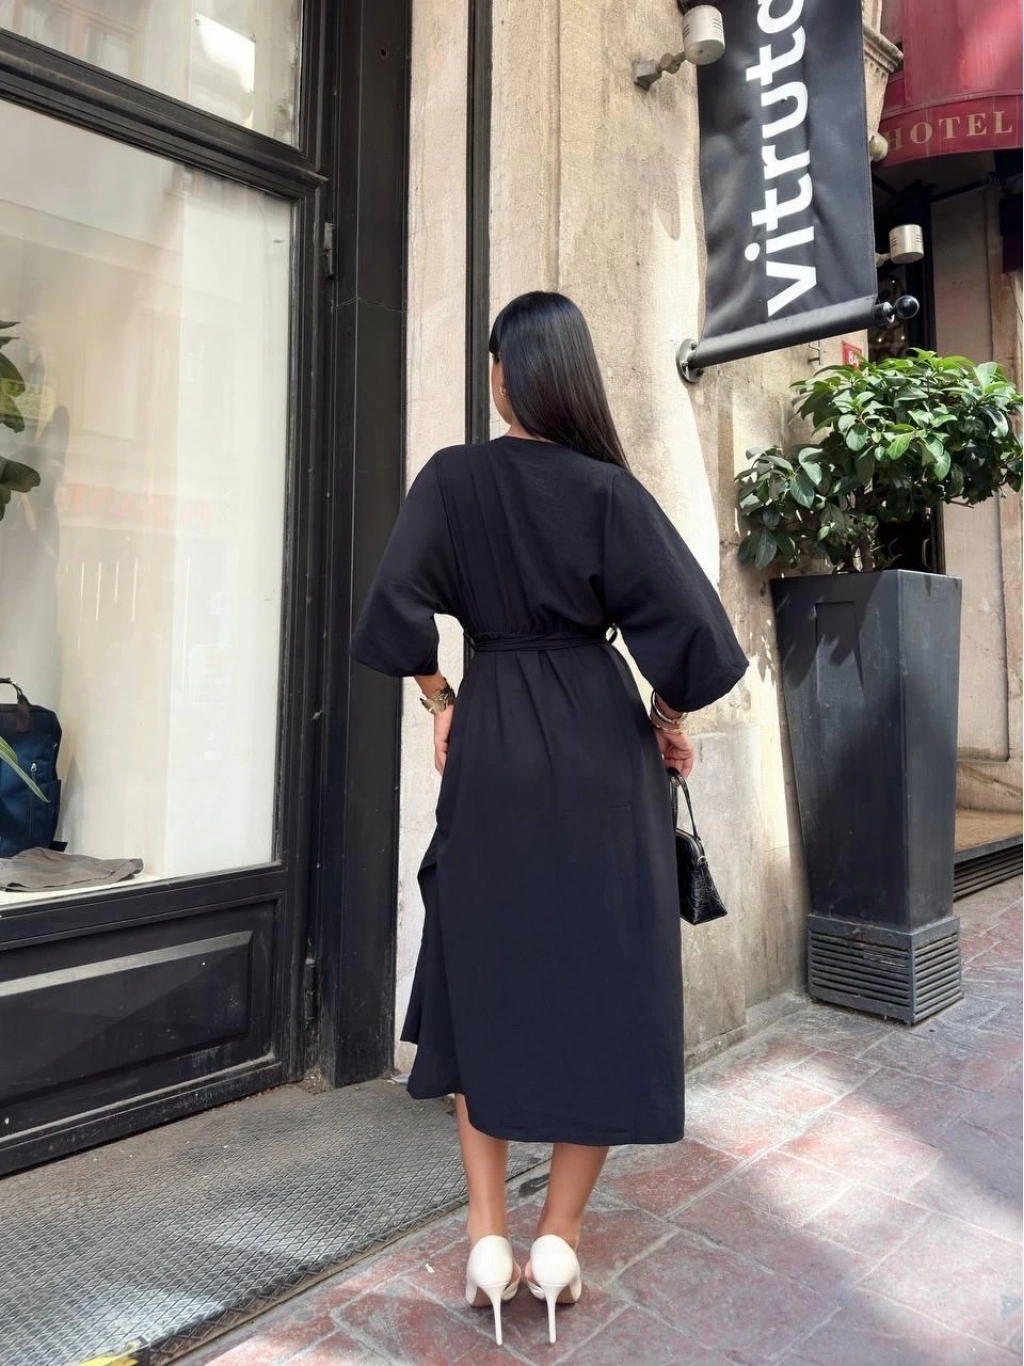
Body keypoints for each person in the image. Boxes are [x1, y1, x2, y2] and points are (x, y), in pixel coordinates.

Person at [350, 291, 747, 1347]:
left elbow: (392, 606)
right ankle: (559, 1238)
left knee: (481, 968)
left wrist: (441, 699)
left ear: (502, 377)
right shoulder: (607, 490)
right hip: (600, 749)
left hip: (493, 742)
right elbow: (696, 634)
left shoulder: (451, 478)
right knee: (601, 979)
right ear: (572, 376)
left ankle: (488, 1236)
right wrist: (664, 719)